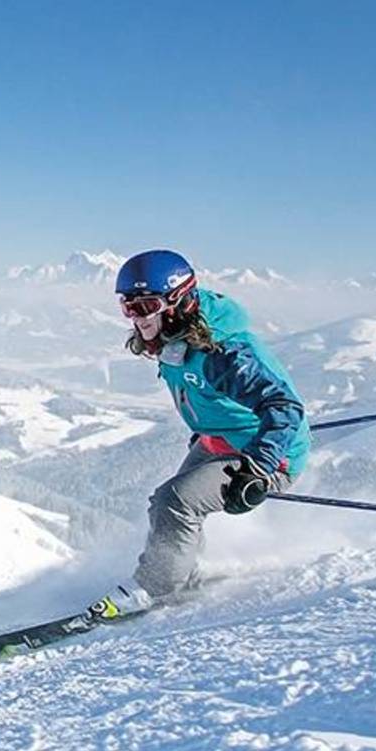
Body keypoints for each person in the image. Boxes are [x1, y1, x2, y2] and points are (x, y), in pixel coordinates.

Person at [110, 249, 309, 612]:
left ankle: (155, 589)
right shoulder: (175, 338)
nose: (137, 319)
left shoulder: (224, 353)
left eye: (145, 306)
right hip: (220, 439)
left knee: (177, 502)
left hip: (267, 451)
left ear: (178, 302)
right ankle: (180, 575)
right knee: (164, 502)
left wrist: (259, 468)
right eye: (128, 307)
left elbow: (285, 407)